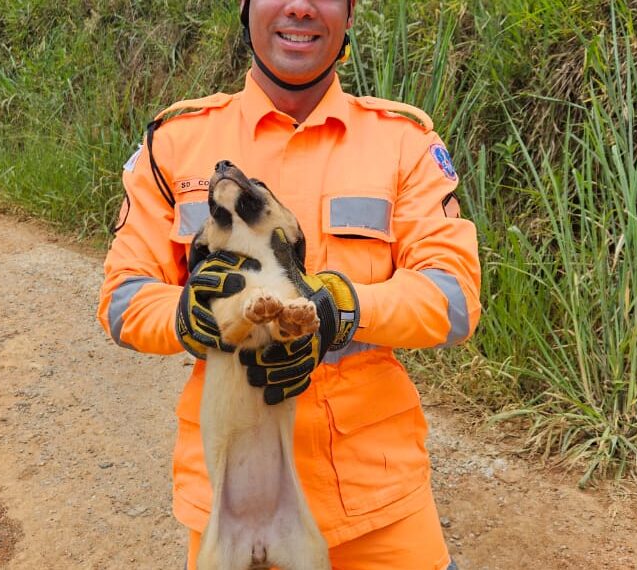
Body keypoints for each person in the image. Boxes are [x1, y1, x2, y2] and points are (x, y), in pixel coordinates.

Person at [97, 1, 481, 568]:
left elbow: (453, 299)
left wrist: (338, 310)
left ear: (349, 15)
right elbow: (122, 300)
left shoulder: (404, 141)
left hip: (380, 506)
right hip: (232, 501)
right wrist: (187, 314)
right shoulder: (177, 141)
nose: (300, 7)